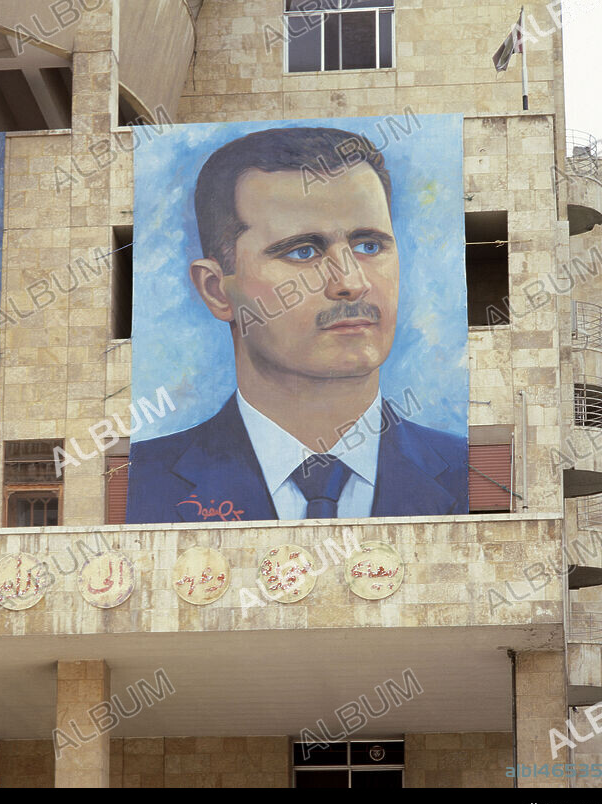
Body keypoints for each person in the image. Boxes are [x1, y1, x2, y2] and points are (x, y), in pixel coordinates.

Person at [126, 127, 468, 524]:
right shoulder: (146, 483)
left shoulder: (467, 473)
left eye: (369, 246)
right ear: (217, 290)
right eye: (303, 251)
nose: (351, 283)